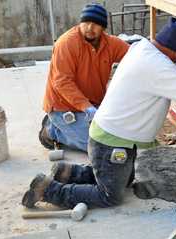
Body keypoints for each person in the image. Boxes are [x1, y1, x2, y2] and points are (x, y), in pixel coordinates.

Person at [22, 17, 176, 209]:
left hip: (113, 136)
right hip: (112, 142)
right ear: (171, 52)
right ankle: (49, 190)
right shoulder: (157, 66)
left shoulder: (145, 47)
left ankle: (69, 172)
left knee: (124, 179)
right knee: (109, 195)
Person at [39, 3, 130, 152]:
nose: (89, 27)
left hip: (94, 105)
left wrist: (175, 56)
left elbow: (137, 55)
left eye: (95, 24)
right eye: (86, 22)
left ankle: (69, 126)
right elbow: (62, 82)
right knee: (99, 149)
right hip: (64, 108)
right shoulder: (67, 43)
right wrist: (86, 107)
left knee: (120, 136)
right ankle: (52, 129)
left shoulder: (111, 43)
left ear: (104, 28)